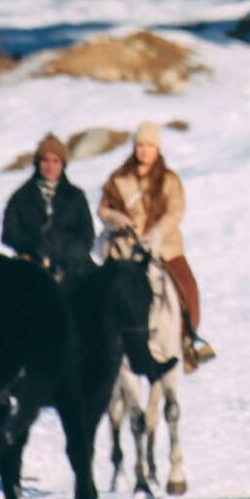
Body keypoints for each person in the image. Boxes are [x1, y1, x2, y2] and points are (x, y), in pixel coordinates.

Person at [98, 122, 215, 372]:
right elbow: (104, 208)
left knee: (188, 287)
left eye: (149, 146)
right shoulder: (119, 179)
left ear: (157, 149)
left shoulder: (169, 180)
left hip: (165, 248)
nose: (143, 150)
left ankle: (188, 339)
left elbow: (175, 211)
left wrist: (157, 232)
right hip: (127, 250)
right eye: (140, 145)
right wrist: (117, 220)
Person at [2, 133, 94, 282]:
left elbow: (87, 236)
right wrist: (34, 246)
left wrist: (68, 256)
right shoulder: (21, 197)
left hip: (74, 268)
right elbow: (9, 234)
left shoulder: (76, 196)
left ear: (63, 164)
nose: (50, 166)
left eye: (55, 161)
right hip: (32, 267)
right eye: (45, 160)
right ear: (37, 163)